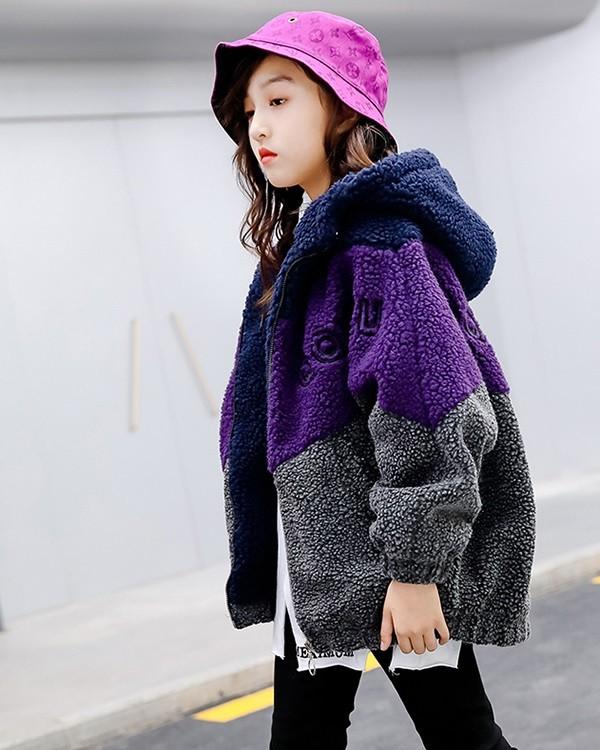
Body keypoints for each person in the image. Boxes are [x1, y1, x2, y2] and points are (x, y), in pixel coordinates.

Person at [210, 10, 536, 750]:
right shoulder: (302, 247)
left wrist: (417, 573)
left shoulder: (380, 246)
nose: (259, 126)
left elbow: (436, 410)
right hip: (319, 558)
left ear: (342, 105)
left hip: (387, 563)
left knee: (462, 736)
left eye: (280, 99)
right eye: (251, 110)